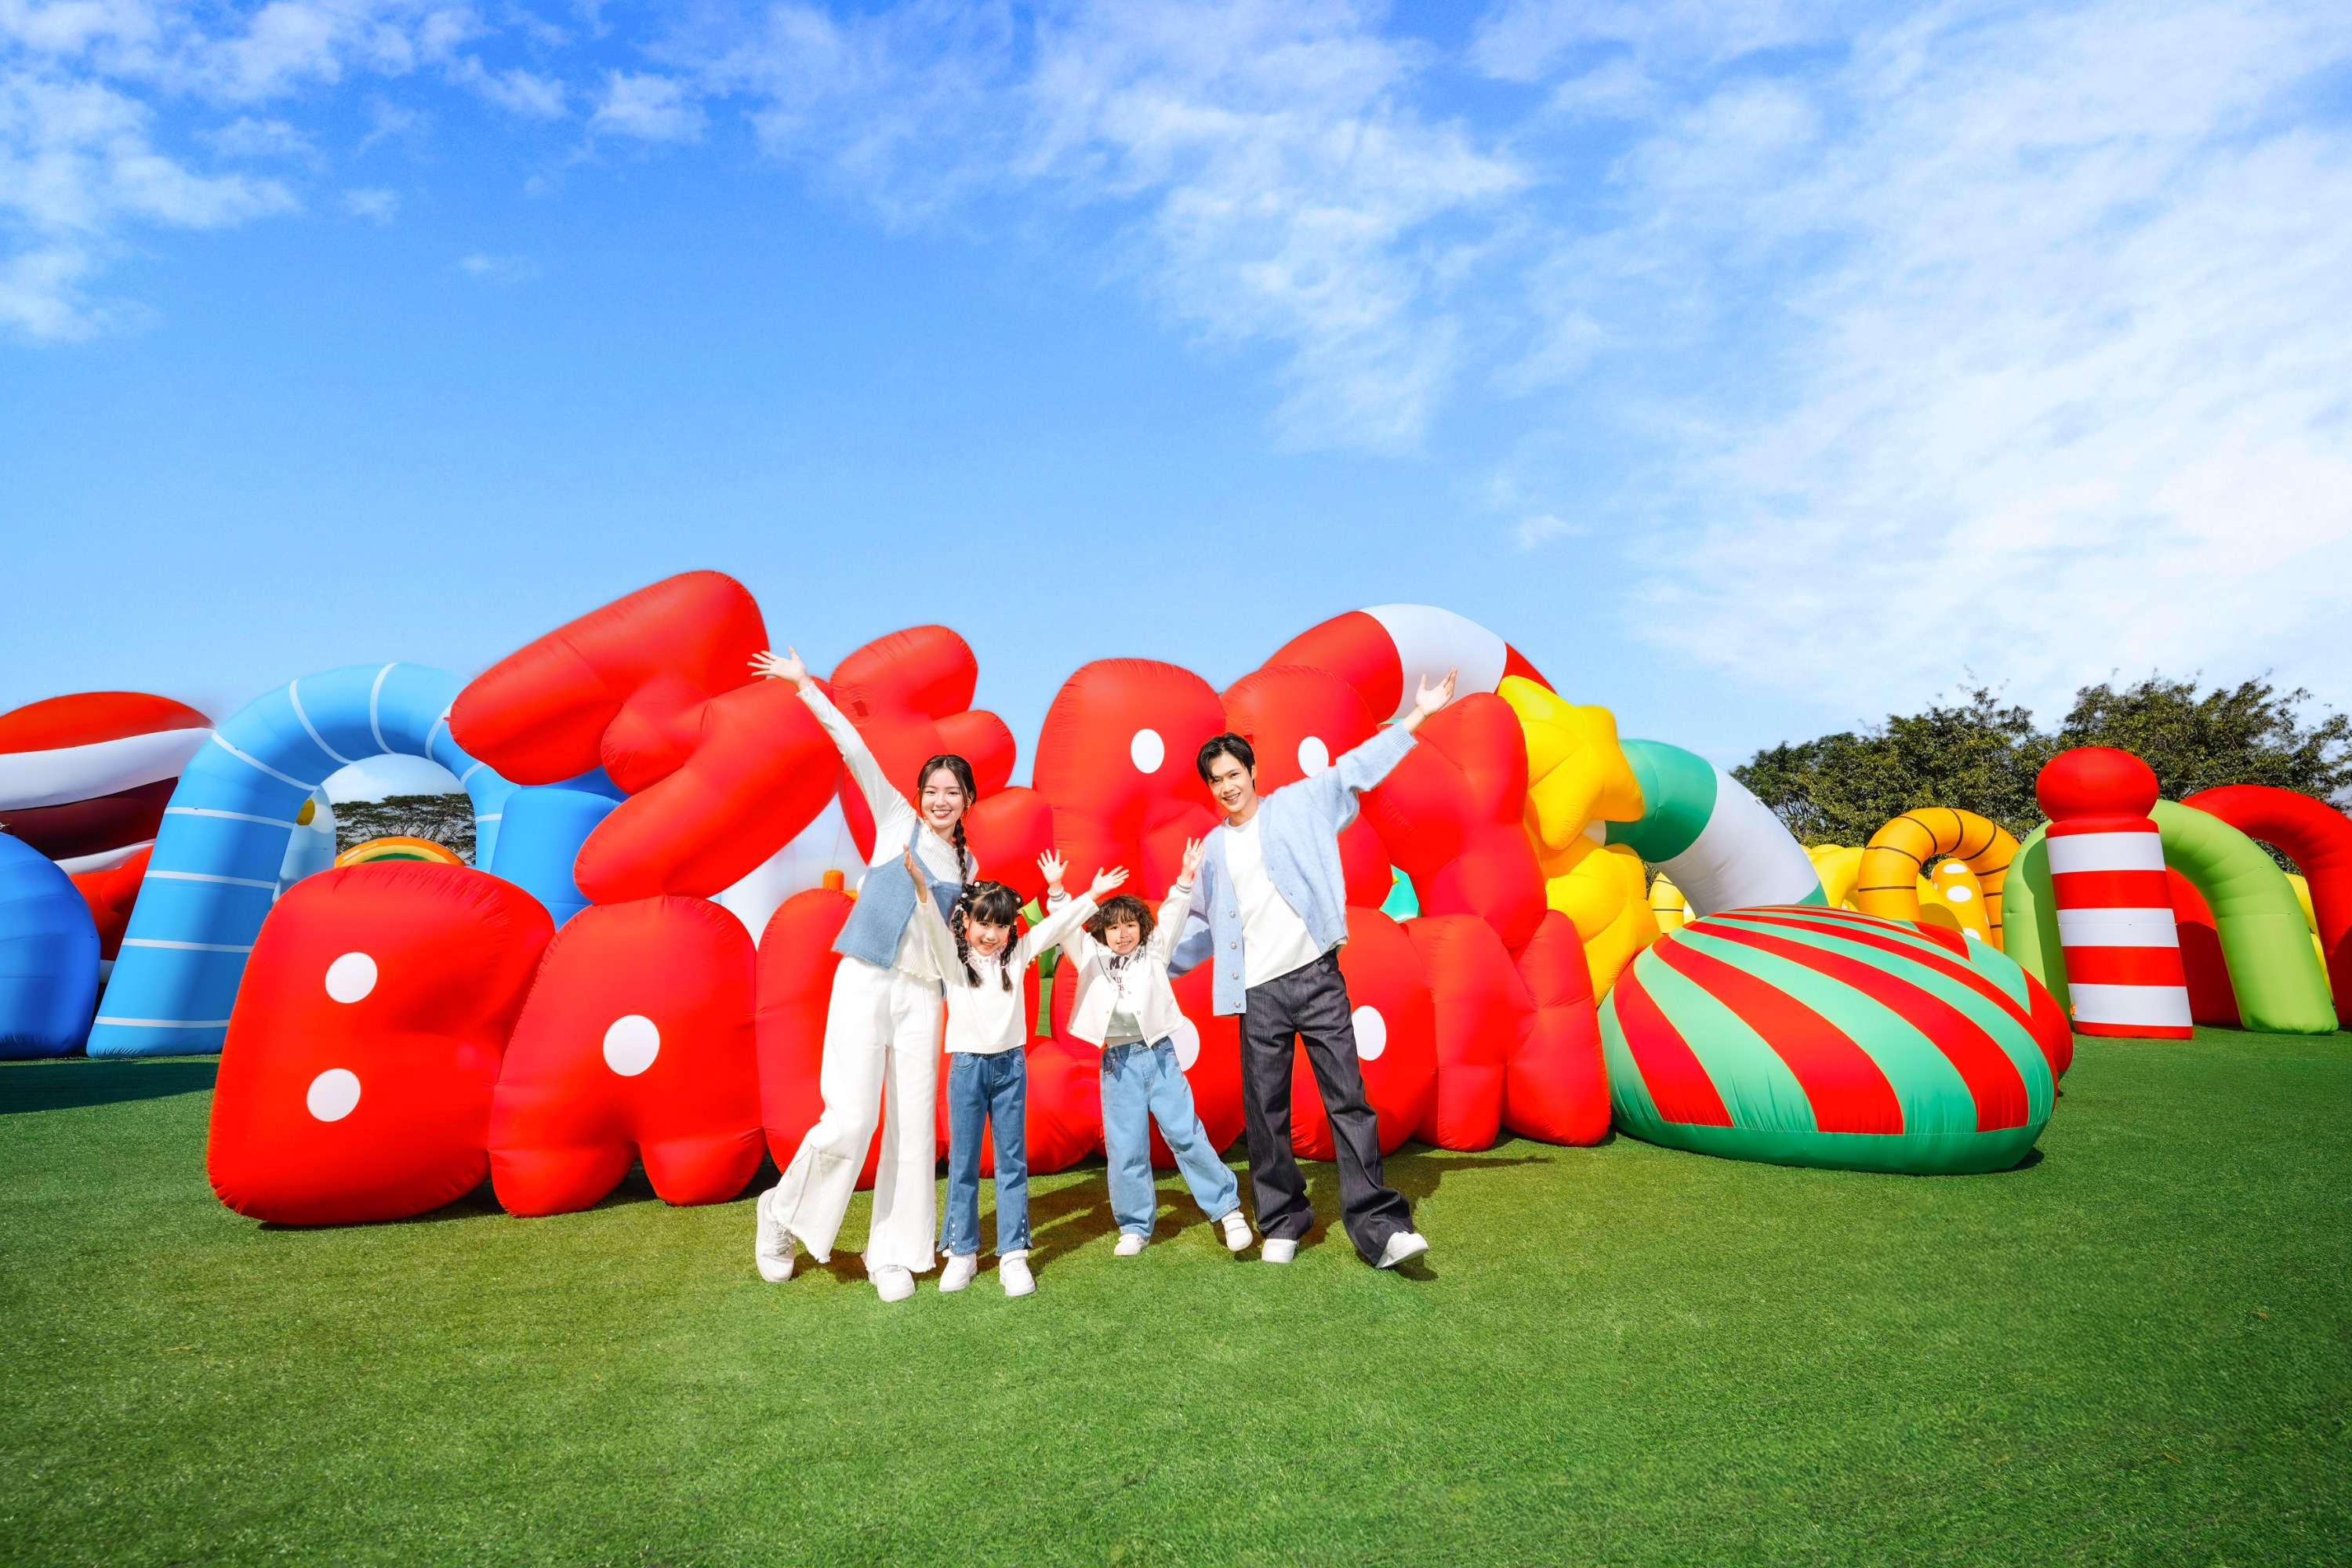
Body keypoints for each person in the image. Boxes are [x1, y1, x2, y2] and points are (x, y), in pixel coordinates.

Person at [1171, 669, 1457, 1269]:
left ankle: (1379, 1226)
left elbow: (1355, 767)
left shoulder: (1298, 805)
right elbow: (1199, 927)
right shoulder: (1214, 848)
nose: (1227, 786)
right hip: (1256, 994)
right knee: (1265, 1112)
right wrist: (1152, 969)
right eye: (1216, 780)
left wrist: (1420, 714)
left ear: (1252, 772)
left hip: (1316, 977)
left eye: (1233, 774)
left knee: (1348, 1100)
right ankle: (1282, 1220)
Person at [748, 644, 975, 1303]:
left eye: (952, 792)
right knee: (850, 1119)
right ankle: (780, 1215)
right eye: (932, 789)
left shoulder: (968, 865)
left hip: (923, 997)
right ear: (919, 796)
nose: (939, 800)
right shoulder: (896, 821)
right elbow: (854, 748)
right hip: (865, 980)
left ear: (967, 801)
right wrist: (804, 685)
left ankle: (894, 1253)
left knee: (913, 1127)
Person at [904, 847, 1125, 1297]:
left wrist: (1092, 894)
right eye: (983, 923)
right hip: (966, 1068)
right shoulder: (953, 959)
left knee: (1011, 1161)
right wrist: (923, 891)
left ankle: (1013, 1254)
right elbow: (930, 926)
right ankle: (962, 1252)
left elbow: (1054, 927)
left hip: (1010, 1067)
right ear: (966, 923)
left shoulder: (1017, 953)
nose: (992, 934)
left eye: (1001, 925)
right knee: (964, 1163)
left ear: (1011, 928)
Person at [1054, 837, 1252, 1258]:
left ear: (1141, 927)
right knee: (1126, 1146)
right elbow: (1067, 926)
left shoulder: (1153, 951)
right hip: (1118, 1064)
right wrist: (1057, 890)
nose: (1122, 933)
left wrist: (1185, 876)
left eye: (1130, 924)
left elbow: (1175, 914)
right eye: (1113, 927)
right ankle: (1135, 1225)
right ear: (1102, 932)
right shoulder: (1089, 955)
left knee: (1185, 1134)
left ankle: (1227, 1210)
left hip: (1159, 1056)